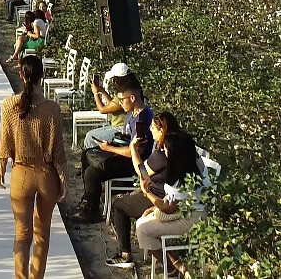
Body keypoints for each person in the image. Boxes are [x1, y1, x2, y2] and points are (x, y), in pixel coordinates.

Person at [0, 54, 69, 279]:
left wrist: (1, 165)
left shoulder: (9, 106)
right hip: (46, 175)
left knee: (22, 235)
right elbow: (58, 150)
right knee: (42, 235)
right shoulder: (52, 109)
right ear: (42, 76)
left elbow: (4, 141)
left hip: (20, 174)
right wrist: (63, 179)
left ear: (20, 75)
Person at [105, 112, 203, 271]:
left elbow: (142, 173)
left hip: (180, 207)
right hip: (179, 203)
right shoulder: (183, 147)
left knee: (126, 212)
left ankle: (166, 268)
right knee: (143, 219)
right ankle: (175, 265)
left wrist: (133, 151)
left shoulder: (170, 157)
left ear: (162, 130)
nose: (150, 129)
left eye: (152, 127)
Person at [75, 77, 153, 223]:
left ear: (132, 97)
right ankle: (88, 200)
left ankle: (91, 211)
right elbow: (126, 138)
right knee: (87, 154)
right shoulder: (131, 113)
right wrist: (111, 144)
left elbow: (136, 152)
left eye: (122, 100)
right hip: (123, 155)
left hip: (135, 164)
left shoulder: (143, 119)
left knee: (92, 173)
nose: (121, 103)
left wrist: (109, 148)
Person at [84, 64, 132, 149]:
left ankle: (92, 159)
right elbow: (112, 106)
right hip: (119, 126)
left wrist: (95, 93)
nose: (112, 81)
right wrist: (103, 92)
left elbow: (103, 110)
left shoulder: (124, 94)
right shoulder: (128, 89)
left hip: (121, 128)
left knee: (90, 137)